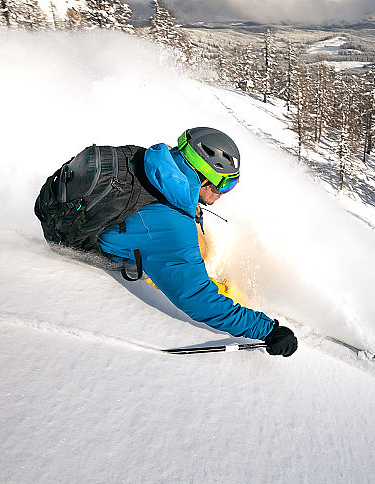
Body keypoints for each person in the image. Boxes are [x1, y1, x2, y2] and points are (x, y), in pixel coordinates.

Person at [97, 127, 298, 357]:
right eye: (224, 184)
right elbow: (198, 299)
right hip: (122, 255)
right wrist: (268, 330)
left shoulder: (158, 165)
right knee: (202, 281)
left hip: (131, 234)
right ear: (203, 174)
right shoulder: (172, 228)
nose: (223, 193)